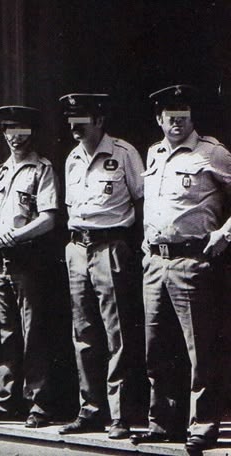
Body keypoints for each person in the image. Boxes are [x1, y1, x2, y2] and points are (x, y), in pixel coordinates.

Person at [129, 85, 231, 453]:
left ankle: (202, 425)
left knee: (199, 350)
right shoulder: (154, 153)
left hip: (192, 263)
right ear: (159, 119)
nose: (176, 122)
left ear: (192, 118)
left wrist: (224, 234)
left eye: (183, 116)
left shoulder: (211, 153)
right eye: (170, 117)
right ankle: (162, 422)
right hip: (155, 262)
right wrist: (146, 247)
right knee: (156, 347)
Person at [54, 94, 144, 439]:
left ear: (100, 120)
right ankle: (90, 410)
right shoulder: (72, 158)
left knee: (116, 333)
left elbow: (142, 199)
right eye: (71, 120)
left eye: (82, 120)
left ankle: (119, 415)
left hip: (111, 247)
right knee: (84, 334)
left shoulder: (124, 153)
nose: (75, 127)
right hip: (78, 248)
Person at [0, 105, 59, 428]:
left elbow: (48, 218)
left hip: (28, 261)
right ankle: (5, 401)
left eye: (22, 131)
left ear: (32, 133)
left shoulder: (41, 169)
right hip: (0, 264)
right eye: (10, 130)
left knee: (33, 334)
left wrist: (9, 238)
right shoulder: (0, 172)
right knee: (6, 335)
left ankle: (38, 403)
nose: (16, 137)